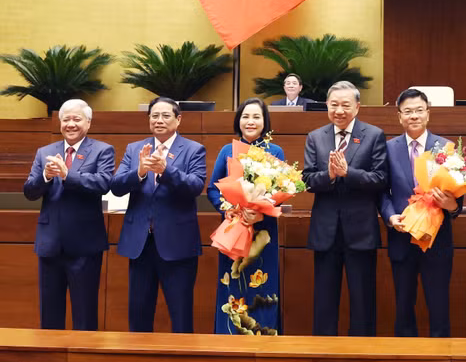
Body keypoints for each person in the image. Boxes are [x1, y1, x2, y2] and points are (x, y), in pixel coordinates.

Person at [110, 96, 206, 333]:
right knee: (139, 315)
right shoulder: (135, 149)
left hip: (177, 245)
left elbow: (195, 186)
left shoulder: (194, 149)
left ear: (178, 119)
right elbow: (117, 185)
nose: (159, 120)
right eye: (154, 116)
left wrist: (167, 171)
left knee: (180, 314)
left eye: (165, 116)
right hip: (140, 244)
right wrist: (140, 171)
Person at [303, 81, 388, 336]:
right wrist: (328, 175)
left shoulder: (373, 135)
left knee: (363, 300)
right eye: (334, 105)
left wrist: (348, 173)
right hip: (325, 231)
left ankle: (362, 354)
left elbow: (381, 179)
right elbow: (307, 180)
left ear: (358, 107)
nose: (339, 110)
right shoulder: (315, 137)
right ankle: (323, 354)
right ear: (327, 105)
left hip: (361, 230)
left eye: (345, 105)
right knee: (324, 300)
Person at [23, 99, 114, 331]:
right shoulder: (45, 152)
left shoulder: (102, 150)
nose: (70, 124)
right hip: (49, 242)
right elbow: (29, 192)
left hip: (85, 245)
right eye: (66, 119)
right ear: (60, 122)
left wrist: (66, 175)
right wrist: (44, 176)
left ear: (88, 123)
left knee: (84, 313)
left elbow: (103, 184)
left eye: (76, 119)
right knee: (49, 312)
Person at [379, 88, 462, 337]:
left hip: (437, 240)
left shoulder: (445, 147)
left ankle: (441, 360)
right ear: (399, 116)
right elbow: (382, 191)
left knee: (439, 305)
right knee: (403, 305)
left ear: (428, 114)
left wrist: (452, 207)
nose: (413, 116)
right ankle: (404, 361)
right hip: (401, 236)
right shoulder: (387, 148)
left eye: (418, 110)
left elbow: (458, 192)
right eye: (408, 111)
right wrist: (390, 216)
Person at [207, 97, 283, 335]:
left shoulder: (275, 151)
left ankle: (264, 341)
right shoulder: (227, 151)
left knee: (263, 287)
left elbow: (282, 190)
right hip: (233, 232)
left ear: (265, 121)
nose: (250, 122)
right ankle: (229, 342)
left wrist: (260, 214)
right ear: (238, 121)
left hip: (264, 234)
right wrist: (229, 209)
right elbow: (212, 189)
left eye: (256, 117)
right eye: (246, 117)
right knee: (232, 286)